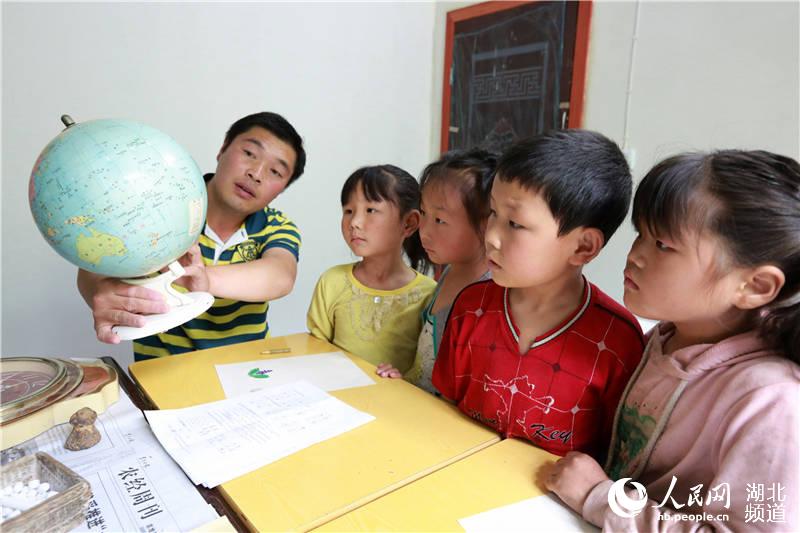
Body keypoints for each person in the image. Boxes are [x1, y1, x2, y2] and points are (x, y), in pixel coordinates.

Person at [544, 150, 800, 531]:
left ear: (754, 285)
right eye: (641, 235)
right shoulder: (666, 336)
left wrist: (601, 497)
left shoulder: (773, 403)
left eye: (663, 245)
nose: (635, 256)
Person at [432, 130, 645, 460]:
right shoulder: (470, 307)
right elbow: (443, 409)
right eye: (492, 214)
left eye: (515, 223)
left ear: (583, 246)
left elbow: (612, 460)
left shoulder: (618, 342)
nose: (492, 236)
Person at [77, 112, 306, 360]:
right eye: (249, 153)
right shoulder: (157, 205)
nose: (256, 173)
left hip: (245, 374)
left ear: (281, 190)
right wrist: (102, 292)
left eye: (275, 171)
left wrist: (201, 280)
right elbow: (93, 269)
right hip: (161, 374)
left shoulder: (276, 226)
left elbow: (280, 275)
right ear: (222, 150)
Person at [376, 148, 496, 394]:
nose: (425, 231)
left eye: (440, 220)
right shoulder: (451, 270)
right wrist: (405, 378)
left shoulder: (490, 293)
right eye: (425, 214)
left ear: (486, 224)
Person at [307, 165, 436, 372]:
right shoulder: (332, 282)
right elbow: (315, 351)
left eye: (371, 210)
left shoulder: (429, 295)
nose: (355, 222)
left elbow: (426, 371)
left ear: (409, 223)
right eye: (348, 211)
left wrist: (400, 380)